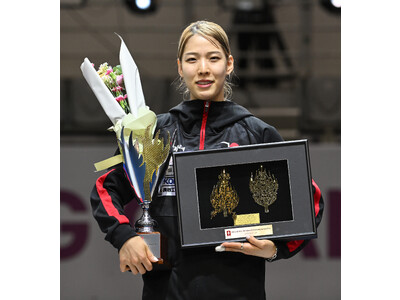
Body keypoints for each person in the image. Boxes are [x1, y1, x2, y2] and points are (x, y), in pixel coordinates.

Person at [90, 20, 324, 300]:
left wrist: (275, 249)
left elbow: (311, 199)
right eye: (192, 59)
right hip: (167, 292)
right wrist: (125, 237)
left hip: (239, 292)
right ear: (179, 67)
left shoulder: (256, 132)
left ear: (229, 64)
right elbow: (105, 187)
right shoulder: (153, 132)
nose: (203, 69)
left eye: (213, 58)